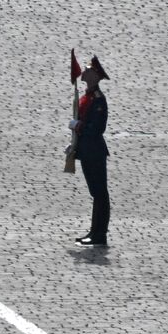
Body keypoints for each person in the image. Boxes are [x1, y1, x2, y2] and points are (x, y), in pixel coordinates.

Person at [70, 55, 109, 247]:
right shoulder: (87, 96)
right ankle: (95, 231)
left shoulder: (98, 100)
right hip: (87, 150)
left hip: (94, 151)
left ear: (94, 75)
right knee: (96, 193)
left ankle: (99, 234)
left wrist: (79, 127)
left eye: (87, 69)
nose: (83, 72)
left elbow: (97, 128)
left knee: (100, 192)